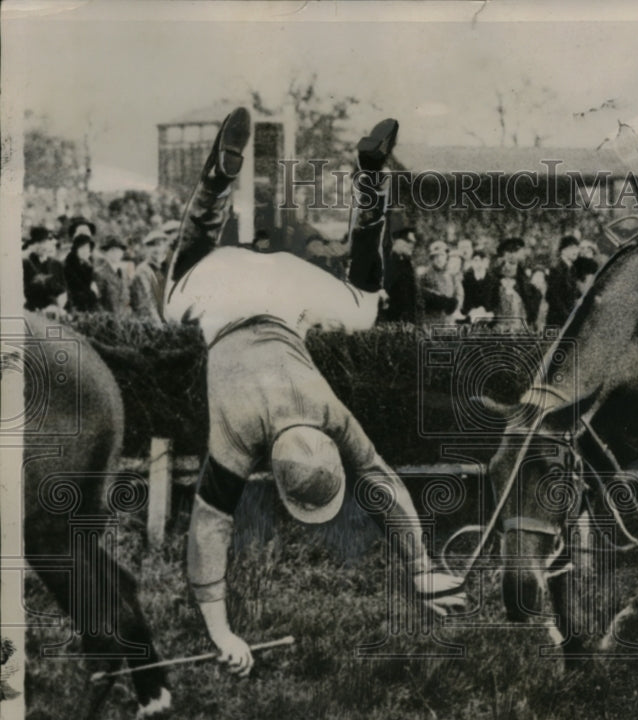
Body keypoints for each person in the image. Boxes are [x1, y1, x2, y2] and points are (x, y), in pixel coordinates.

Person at [163, 108, 466, 675]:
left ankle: (216, 187)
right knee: (365, 305)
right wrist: (421, 566)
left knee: (352, 306)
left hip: (229, 282)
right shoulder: (318, 413)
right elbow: (379, 479)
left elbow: (209, 529)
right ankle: (369, 180)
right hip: (279, 286)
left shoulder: (256, 433)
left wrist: (221, 631)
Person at [379, 227, 422, 324]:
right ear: (396, 241)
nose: (411, 245)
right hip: (388, 320)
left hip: (406, 320)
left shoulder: (407, 263)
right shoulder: (385, 260)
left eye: (413, 243)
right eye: (408, 241)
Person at [22, 226, 66, 313]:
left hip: (54, 309)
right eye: (38, 242)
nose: (42, 246)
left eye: (44, 242)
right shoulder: (25, 263)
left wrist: (59, 307)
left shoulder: (56, 264)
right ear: (32, 245)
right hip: (32, 310)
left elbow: (63, 291)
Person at [419, 240, 463, 325]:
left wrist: (456, 305)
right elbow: (422, 297)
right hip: (431, 319)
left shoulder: (451, 275)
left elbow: (458, 294)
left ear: (446, 257)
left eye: (442, 255)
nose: (439, 259)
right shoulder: (425, 275)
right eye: (436, 256)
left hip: (449, 320)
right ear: (432, 258)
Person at [130, 227, 168, 325]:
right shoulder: (143, 270)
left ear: (165, 246)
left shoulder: (167, 268)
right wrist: (159, 326)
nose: (156, 249)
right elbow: (146, 302)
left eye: (159, 244)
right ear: (147, 248)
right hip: (152, 322)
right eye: (152, 245)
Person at [546, 234, 580, 328]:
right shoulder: (556, 269)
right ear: (563, 250)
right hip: (558, 321)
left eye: (577, 247)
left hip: (568, 319)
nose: (576, 251)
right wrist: (567, 316)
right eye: (572, 248)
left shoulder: (572, 269)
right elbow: (553, 297)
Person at [94, 236, 132, 315]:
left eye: (119, 250)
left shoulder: (124, 273)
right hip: (110, 322)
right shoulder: (99, 273)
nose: (116, 254)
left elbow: (128, 298)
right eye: (112, 250)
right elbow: (98, 302)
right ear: (106, 252)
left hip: (127, 321)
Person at [62, 234, 100, 313]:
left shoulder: (88, 266)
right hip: (73, 306)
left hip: (87, 306)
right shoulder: (68, 266)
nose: (85, 251)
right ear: (76, 250)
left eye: (87, 248)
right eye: (82, 248)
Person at [460, 249, 498, 321]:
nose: (479, 264)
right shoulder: (466, 279)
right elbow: (465, 300)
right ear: (471, 262)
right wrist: (472, 311)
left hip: (488, 315)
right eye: (476, 260)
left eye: (482, 261)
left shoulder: (493, 280)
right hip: (470, 315)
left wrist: (486, 310)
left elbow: (495, 301)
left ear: (486, 262)